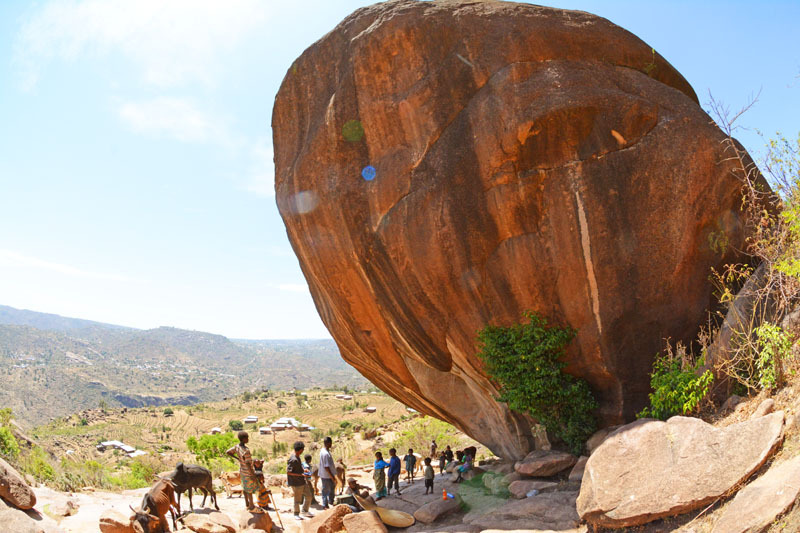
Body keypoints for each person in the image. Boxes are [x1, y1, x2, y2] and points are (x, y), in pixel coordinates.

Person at [225, 431, 261, 512]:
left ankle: (247, 504)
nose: (248, 439)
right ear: (244, 439)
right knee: (250, 489)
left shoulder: (237, 447)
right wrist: (253, 475)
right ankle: (252, 507)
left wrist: (238, 459)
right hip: (248, 472)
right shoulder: (246, 450)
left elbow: (228, 452)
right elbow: (248, 464)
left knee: (245, 488)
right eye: (247, 438)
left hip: (242, 471)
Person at [287, 441, 314, 520]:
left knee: (309, 496)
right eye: (303, 449)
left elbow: (298, 468)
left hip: (302, 481)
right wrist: (301, 475)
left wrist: (304, 470)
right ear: (300, 450)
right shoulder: (293, 459)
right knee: (297, 500)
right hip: (296, 483)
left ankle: (305, 511)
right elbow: (289, 472)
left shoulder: (298, 457)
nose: (303, 451)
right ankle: (296, 513)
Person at [319, 436, 337, 509]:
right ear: (328, 443)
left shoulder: (323, 451)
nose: (331, 445)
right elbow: (326, 467)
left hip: (327, 474)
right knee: (325, 490)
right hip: (326, 475)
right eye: (330, 443)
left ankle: (331, 501)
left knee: (332, 488)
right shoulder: (325, 454)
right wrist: (332, 477)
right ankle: (325, 505)